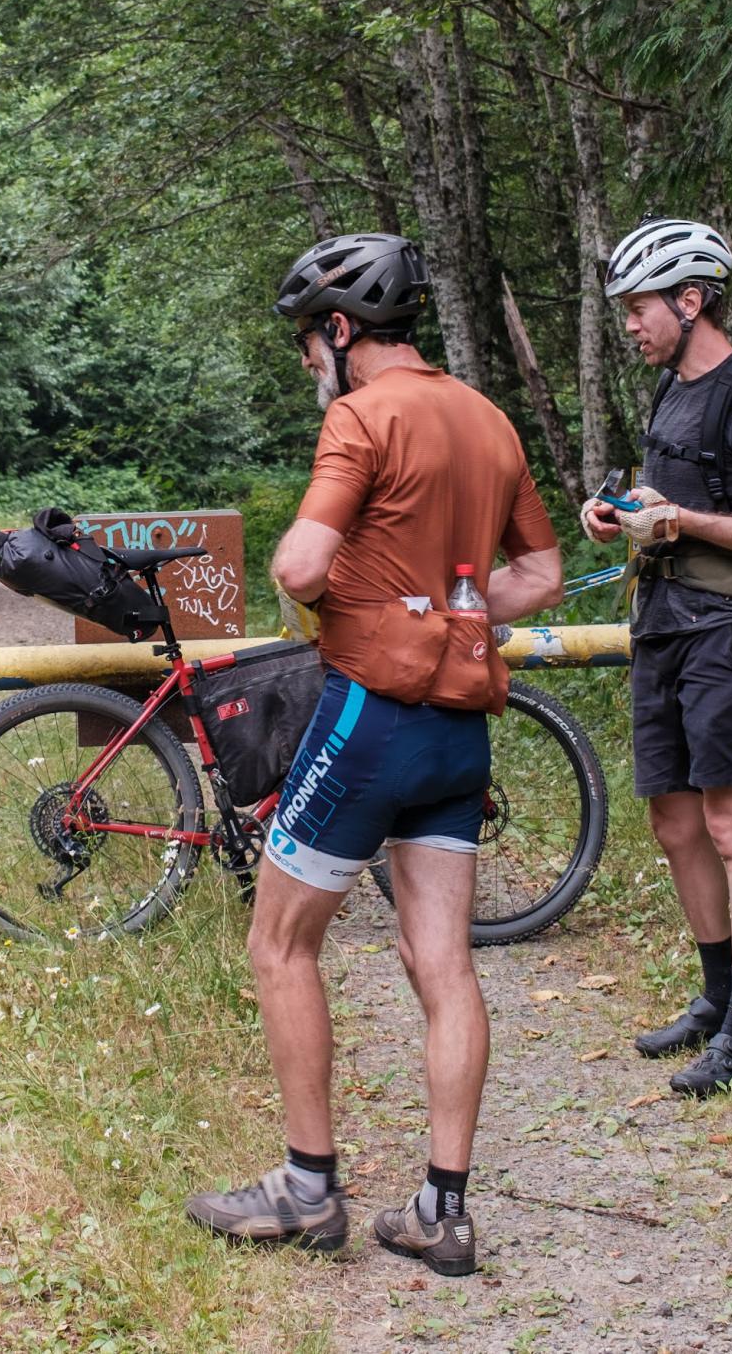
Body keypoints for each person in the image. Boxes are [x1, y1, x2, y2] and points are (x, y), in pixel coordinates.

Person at [185, 231, 564, 1276]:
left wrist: (355, 592)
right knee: (442, 961)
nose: (310, 359)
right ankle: (442, 1210)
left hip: (372, 716)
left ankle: (308, 1188)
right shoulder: (486, 418)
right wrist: (455, 608)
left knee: (279, 943)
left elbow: (300, 565)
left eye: (310, 340)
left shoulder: (361, 416)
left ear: (344, 328)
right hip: (459, 732)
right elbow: (540, 572)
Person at [580, 218, 732, 1097]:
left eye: (638, 306)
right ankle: (716, 1001)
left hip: (728, 630)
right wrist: (616, 515)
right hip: (662, 623)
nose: (630, 324)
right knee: (674, 822)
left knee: (730, 825)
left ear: (690, 300)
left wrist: (684, 521)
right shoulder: (669, 389)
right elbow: (666, 501)